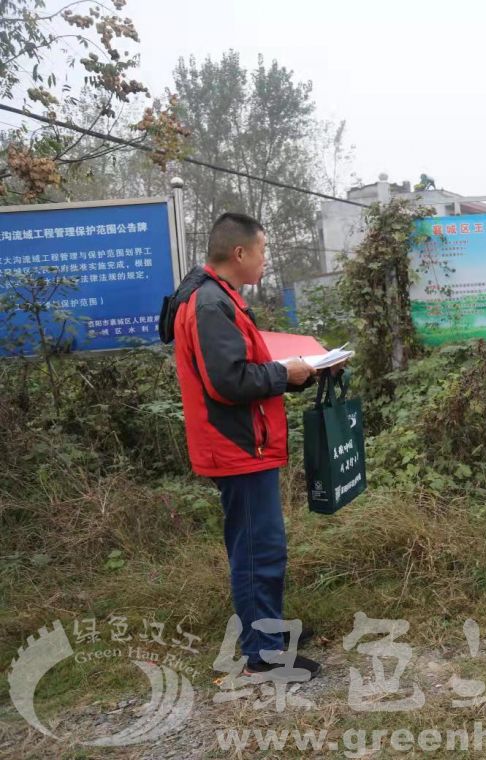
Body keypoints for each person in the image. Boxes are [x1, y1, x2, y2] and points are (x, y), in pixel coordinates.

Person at [170, 212, 321, 677]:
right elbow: (229, 381)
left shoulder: (221, 297)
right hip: (236, 446)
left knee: (258, 542)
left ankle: (267, 629)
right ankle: (265, 653)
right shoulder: (210, 303)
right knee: (258, 546)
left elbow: (246, 366)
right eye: (263, 251)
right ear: (240, 253)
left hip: (242, 443)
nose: (265, 261)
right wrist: (285, 373)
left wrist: (297, 372)